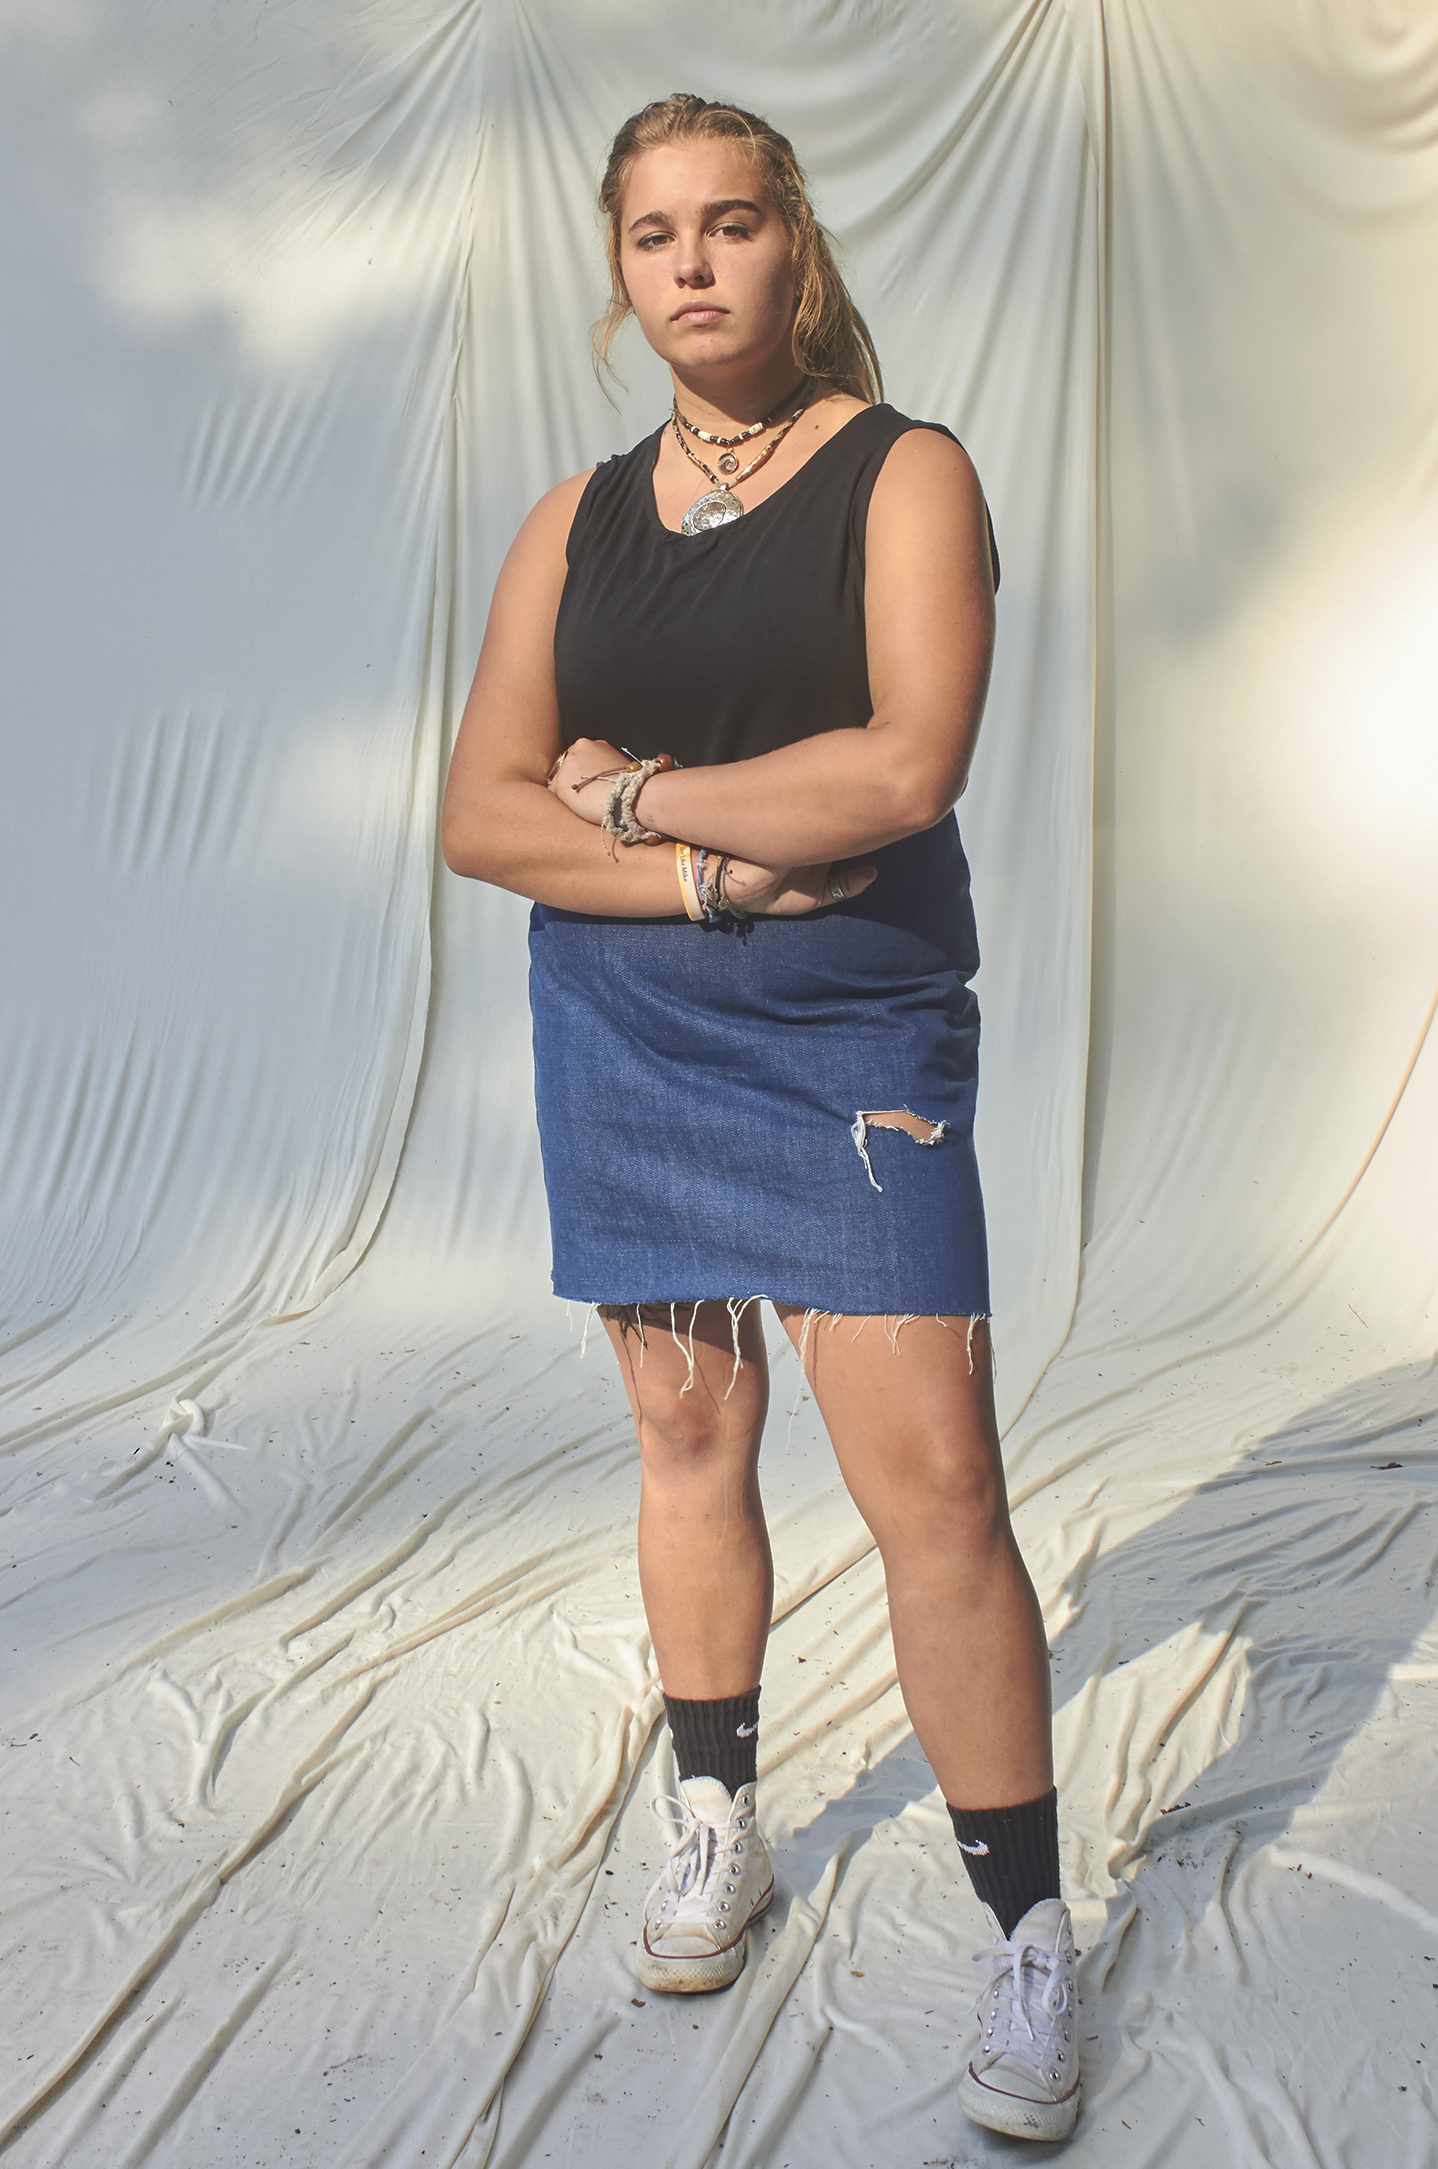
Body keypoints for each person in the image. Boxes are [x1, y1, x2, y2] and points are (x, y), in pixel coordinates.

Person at [440, 91, 1079, 2145]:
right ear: (619, 277)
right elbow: (476, 816)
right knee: (686, 1432)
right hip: (625, 1024)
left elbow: (898, 775)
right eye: (654, 236)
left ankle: (1025, 1926)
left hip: (850, 1025)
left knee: (934, 1484)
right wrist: (706, 862)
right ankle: (716, 1804)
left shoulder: (906, 472)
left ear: (796, 250)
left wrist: (623, 794)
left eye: (730, 225)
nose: (694, 263)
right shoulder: (572, 515)